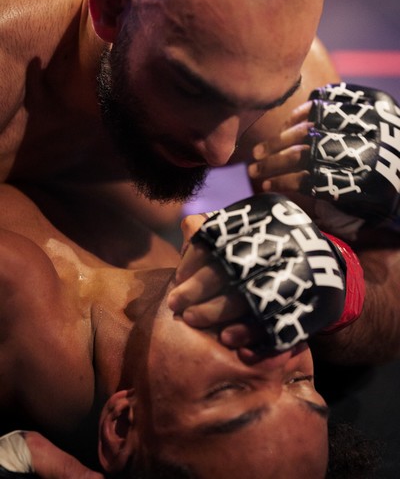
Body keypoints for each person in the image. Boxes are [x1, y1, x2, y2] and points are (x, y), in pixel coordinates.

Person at [0, 0, 340, 267]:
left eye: (264, 103)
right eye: (192, 89)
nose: (221, 151)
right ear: (110, 9)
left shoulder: (277, 85)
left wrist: (343, 281)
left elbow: (383, 270)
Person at [0, 184, 335, 478]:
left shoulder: (18, 293)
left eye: (230, 389)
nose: (275, 355)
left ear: (123, 425)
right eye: (298, 381)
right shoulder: (162, 219)